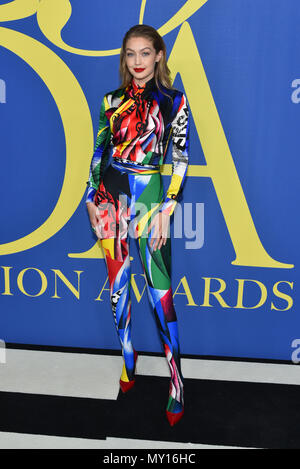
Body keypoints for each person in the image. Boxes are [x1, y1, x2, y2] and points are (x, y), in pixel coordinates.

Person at [85, 24, 189, 427]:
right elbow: (99, 151)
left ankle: (177, 382)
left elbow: (179, 160)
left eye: (146, 53)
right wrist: (90, 197)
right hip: (110, 195)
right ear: (124, 58)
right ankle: (129, 360)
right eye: (131, 54)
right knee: (117, 286)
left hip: (150, 196)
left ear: (159, 55)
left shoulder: (175, 102)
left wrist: (167, 208)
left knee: (160, 294)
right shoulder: (110, 102)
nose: (138, 61)